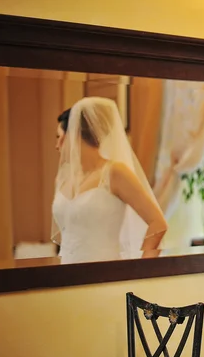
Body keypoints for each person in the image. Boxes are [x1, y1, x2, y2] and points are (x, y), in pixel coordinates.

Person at [51, 97, 167, 263]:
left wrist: (143, 269)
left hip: (104, 273)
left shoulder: (115, 173)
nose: (56, 146)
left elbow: (158, 223)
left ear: (73, 135)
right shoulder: (63, 179)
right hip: (65, 274)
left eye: (59, 137)